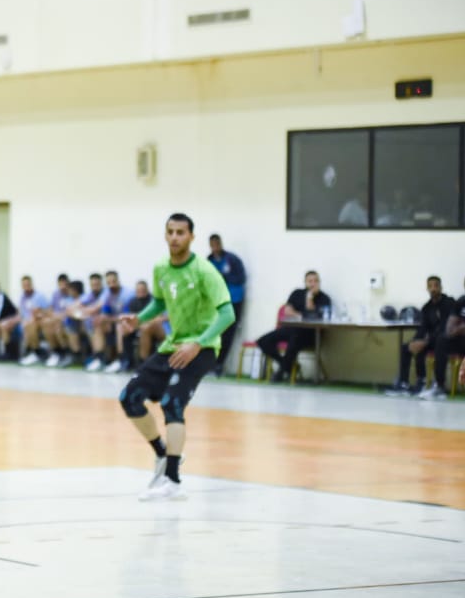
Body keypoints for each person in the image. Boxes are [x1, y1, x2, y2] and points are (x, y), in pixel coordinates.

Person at [117, 213, 234, 501]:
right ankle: (163, 453)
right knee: (129, 397)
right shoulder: (161, 268)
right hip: (173, 346)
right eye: (170, 232)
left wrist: (198, 343)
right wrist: (139, 319)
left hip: (203, 348)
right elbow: (159, 302)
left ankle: (173, 480)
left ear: (191, 237)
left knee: (172, 403)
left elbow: (228, 314)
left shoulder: (205, 271)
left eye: (181, 232)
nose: (174, 237)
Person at [255, 270, 332, 383]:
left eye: (316, 281)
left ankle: (281, 372)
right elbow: (287, 311)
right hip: (291, 329)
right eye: (310, 281)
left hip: (311, 334)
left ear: (319, 282)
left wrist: (309, 299)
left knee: (295, 340)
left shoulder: (324, 298)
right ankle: (287, 365)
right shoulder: (297, 293)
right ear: (305, 282)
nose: (313, 284)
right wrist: (302, 315)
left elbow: (314, 316)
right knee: (263, 341)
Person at [384, 275, 453, 397]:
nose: (433, 289)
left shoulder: (449, 303)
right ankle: (405, 383)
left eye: (436, 286)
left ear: (441, 288)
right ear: (427, 288)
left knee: (437, 342)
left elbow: (445, 327)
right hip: (431, 340)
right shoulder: (426, 307)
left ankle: (439, 386)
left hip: (446, 339)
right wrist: (415, 341)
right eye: (430, 286)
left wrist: (425, 341)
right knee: (407, 347)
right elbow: (423, 328)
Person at [420, 272, 465, 401]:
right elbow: (450, 324)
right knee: (441, 340)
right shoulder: (461, 301)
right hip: (463, 339)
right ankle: (439, 386)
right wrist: (453, 330)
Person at [207, 234, 247, 375]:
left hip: (233, 301)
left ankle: (219, 365)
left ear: (221, 244)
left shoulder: (232, 260)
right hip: (215, 302)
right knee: (213, 333)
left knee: (228, 334)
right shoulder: (209, 261)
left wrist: (223, 276)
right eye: (212, 245)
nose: (215, 248)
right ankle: (209, 364)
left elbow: (241, 279)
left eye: (217, 244)